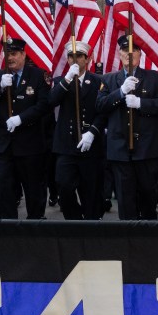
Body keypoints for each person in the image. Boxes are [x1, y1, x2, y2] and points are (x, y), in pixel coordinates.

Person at [98, 34, 158, 220]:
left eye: (133, 51)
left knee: (148, 196)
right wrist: (120, 92)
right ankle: (128, 241)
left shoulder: (153, 78)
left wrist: (141, 103)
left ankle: (148, 239)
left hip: (146, 148)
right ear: (119, 54)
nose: (129, 54)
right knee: (125, 200)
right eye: (125, 50)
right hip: (120, 149)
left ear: (140, 54)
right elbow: (100, 106)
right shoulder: (108, 79)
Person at [0, 38, 50, 219]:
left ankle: (35, 224)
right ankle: (7, 228)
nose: (9, 58)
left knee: (33, 189)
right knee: (4, 189)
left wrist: (21, 118)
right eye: (7, 54)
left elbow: (44, 105)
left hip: (29, 145)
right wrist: (0, 88)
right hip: (3, 145)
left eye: (13, 54)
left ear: (23, 54)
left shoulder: (38, 75)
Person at [47, 41, 106, 220]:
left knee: (91, 192)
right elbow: (50, 102)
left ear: (87, 59)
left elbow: (103, 111)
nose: (75, 60)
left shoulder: (98, 81)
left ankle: (90, 225)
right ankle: (73, 219)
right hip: (66, 146)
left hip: (90, 146)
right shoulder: (59, 81)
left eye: (79, 56)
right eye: (71, 56)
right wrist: (66, 81)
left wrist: (93, 132)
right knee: (63, 186)